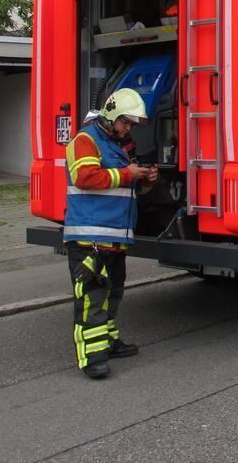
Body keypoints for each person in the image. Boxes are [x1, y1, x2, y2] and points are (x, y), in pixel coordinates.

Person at [64, 88, 157, 379]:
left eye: (131, 125)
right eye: (126, 122)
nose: (128, 128)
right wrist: (130, 173)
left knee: (113, 293)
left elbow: (125, 188)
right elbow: (86, 177)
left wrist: (146, 180)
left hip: (115, 237)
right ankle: (92, 358)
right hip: (89, 238)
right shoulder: (85, 140)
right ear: (112, 115)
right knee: (92, 298)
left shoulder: (121, 146)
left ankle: (108, 341)